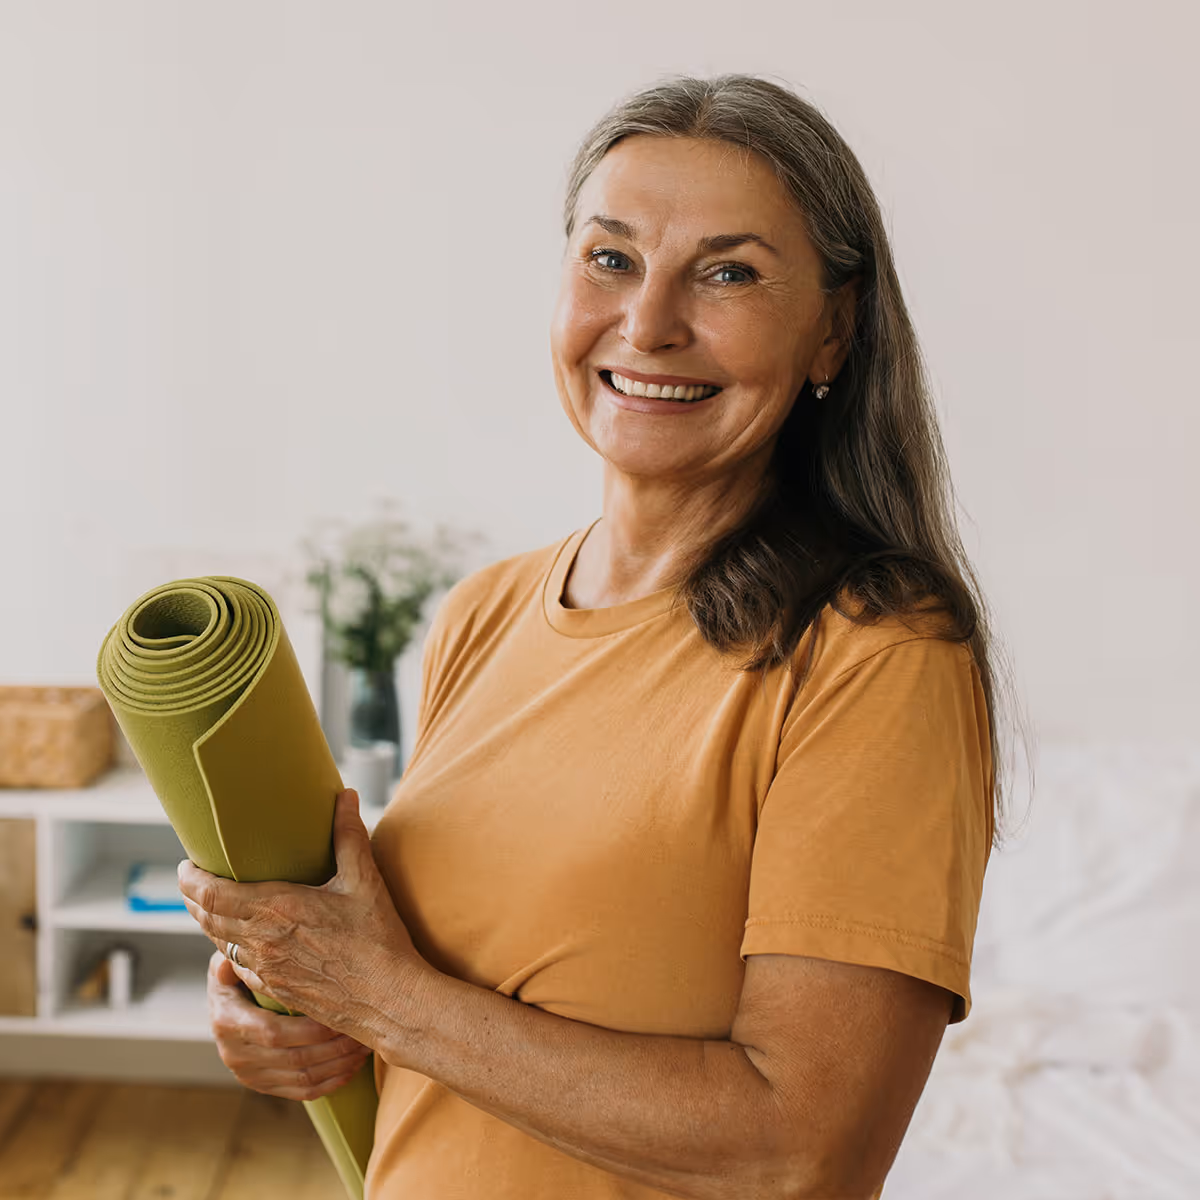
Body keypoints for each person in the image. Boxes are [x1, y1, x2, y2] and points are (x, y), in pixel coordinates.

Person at [180, 73, 1012, 1199]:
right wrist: (303, 1012)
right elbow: (470, 1028)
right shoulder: (485, 613)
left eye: (729, 273)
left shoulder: (877, 652)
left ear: (835, 331)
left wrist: (380, 995)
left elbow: (803, 1150)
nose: (649, 323)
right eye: (610, 258)